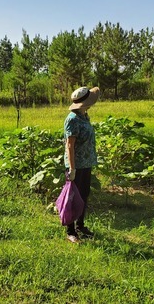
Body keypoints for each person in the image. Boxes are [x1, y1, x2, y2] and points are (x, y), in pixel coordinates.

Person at [63, 86, 100, 243]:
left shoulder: (84, 116)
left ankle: (80, 226)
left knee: (83, 195)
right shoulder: (72, 119)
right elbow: (70, 145)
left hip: (86, 163)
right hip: (76, 165)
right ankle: (70, 231)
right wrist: (72, 169)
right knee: (73, 197)